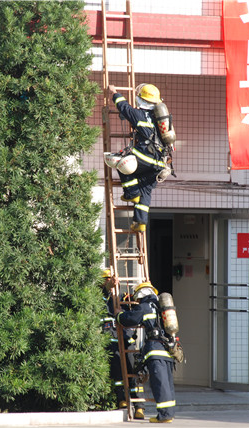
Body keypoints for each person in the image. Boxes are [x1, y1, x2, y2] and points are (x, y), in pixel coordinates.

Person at [106, 83, 170, 233]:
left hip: (144, 157)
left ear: (141, 99)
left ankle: (132, 193)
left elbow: (123, 106)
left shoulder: (138, 114)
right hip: (160, 162)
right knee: (146, 191)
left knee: (121, 161)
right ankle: (140, 222)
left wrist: (114, 92)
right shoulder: (161, 119)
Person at [115, 282, 176, 423]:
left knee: (159, 383)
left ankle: (164, 415)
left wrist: (119, 315)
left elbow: (129, 319)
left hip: (156, 350)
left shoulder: (145, 306)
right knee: (167, 383)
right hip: (168, 349)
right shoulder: (161, 306)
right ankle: (169, 413)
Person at [100, 270, 145, 419]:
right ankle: (123, 400)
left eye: (111, 279)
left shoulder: (125, 298)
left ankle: (139, 406)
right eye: (106, 280)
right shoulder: (100, 297)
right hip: (112, 341)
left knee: (133, 372)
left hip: (127, 341)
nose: (111, 282)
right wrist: (108, 289)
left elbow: (135, 312)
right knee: (117, 373)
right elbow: (101, 300)